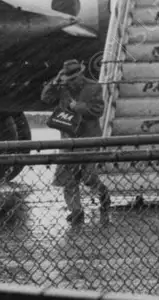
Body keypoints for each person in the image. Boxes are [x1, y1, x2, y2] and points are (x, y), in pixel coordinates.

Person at [41, 59, 111, 225]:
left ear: (81, 76)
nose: (70, 83)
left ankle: (105, 198)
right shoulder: (62, 87)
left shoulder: (94, 87)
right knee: (69, 179)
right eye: (67, 80)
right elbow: (46, 98)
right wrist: (56, 81)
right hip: (68, 138)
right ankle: (76, 211)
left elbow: (98, 110)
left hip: (89, 138)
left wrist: (77, 106)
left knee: (89, 177)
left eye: (72, 79)